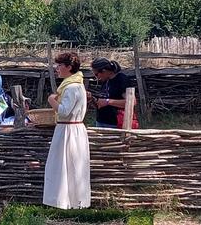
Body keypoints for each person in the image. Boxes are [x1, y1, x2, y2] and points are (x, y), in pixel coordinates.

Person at [43, 52, 90, 209]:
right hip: (70, 128)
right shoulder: (75, 85)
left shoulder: (72, 87)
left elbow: (64, 111)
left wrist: (51, 100)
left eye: (60, 65)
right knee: (68, 165)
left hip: (69, 130)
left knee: (67, 166)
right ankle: (69, 201)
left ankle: (68, 201)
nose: (57, 68)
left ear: (69, 67)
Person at [89, 57, 138, 129]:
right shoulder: (106, 80)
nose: (96, 77)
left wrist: (108, 102)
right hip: (101, 122)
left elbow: (132, 102)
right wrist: (93, 100)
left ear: (104, 71)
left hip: (116, 123)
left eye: (96, 74)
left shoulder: (121, 80)